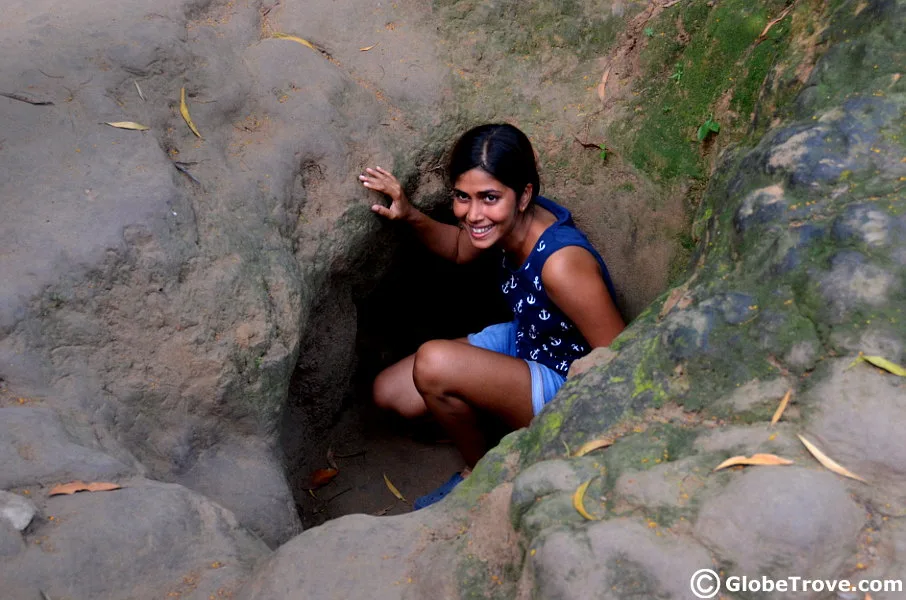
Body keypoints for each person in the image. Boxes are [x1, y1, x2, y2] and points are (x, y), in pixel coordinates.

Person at [359, 123, 625, 509]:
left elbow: (620, 357)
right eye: (462, 197)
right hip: (529, 339)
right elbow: (458, 249)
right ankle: (497, 422)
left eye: (488, 198)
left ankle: (482, 472)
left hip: (567, 381)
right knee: (390, 392)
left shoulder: (561, 265)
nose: (473, 214)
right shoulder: (507, 224)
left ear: (523, 195)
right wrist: (409, 214)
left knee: (433, 363)